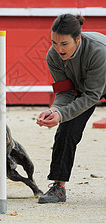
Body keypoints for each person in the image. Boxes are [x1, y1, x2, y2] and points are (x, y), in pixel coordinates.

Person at [36, 13, 106, 204]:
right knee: (66, 130)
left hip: (97, 84)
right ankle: (58, 188)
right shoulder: (53, 55)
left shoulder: (98, 51)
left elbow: (93, 95)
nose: (58, 49)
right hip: (84, 88)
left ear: (78, 39)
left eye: (64, 44)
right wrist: (55, 110)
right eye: (54, 43)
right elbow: (65, 92)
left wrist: (61, 113)